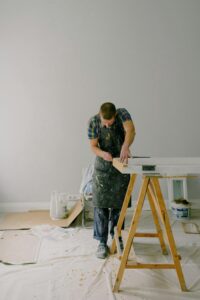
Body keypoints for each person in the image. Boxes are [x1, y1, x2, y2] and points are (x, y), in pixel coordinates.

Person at [87, 102, 136, 259]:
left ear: (115, 115)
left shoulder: (122, 114)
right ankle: (102, 242)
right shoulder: (93, 122)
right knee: (100, 205)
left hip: (121, 163)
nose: (107, 125)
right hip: (103, 166)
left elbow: (131, 130)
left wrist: (125, 146)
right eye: (105, 122)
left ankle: (117, 237)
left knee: (118, 204)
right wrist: (102, 154)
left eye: (110, 122)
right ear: (100, 115)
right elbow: (93, 146)